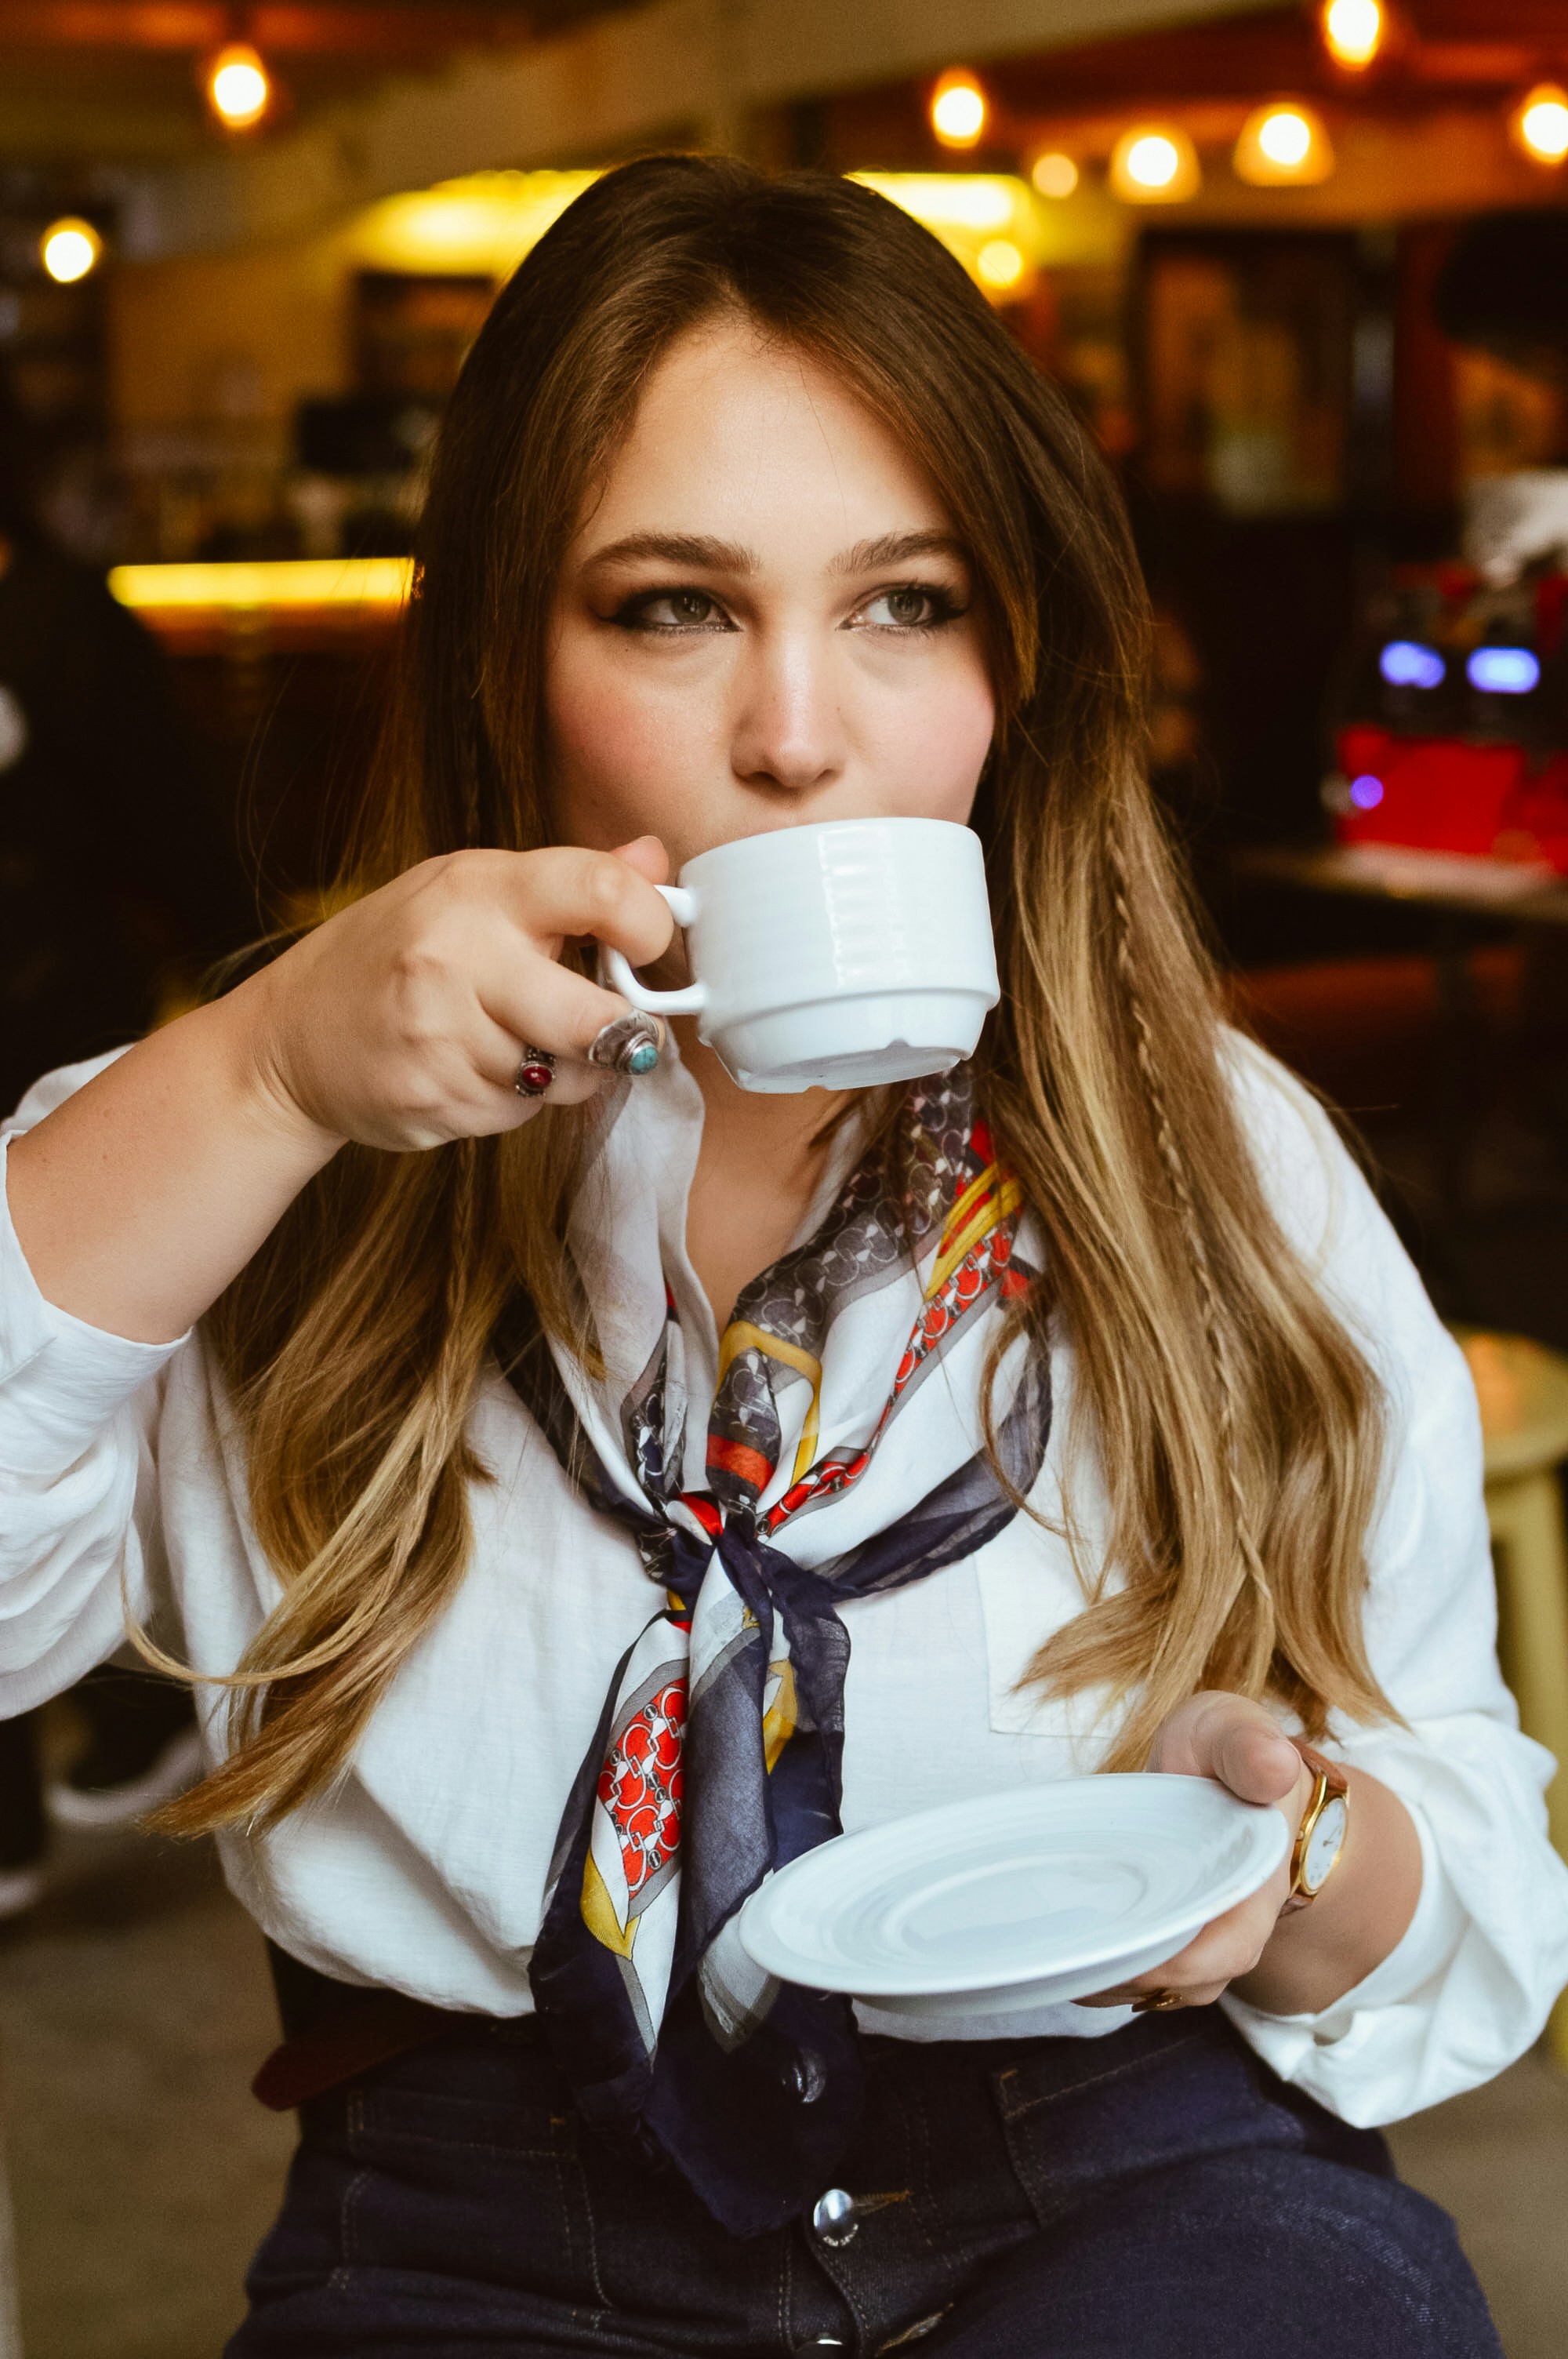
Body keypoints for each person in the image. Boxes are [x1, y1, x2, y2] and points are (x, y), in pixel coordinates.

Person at [1, 158, 1563, 2357]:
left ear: (1014, 657)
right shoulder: (288, 1152)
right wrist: (265, 1072)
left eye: (906, 602)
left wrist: (1302, 1869)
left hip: (1125, 2168)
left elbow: (1467, 1846)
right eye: (673, 606)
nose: (801, 736)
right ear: (503, 651)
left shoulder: (1218, 1160)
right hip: (476, 2221)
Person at [0, 376, 246, 1913]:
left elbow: (186, 841)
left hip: (55, 1051)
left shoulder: (68, 628)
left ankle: (141, 1690)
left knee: (67, 1397)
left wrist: (265, 1044)